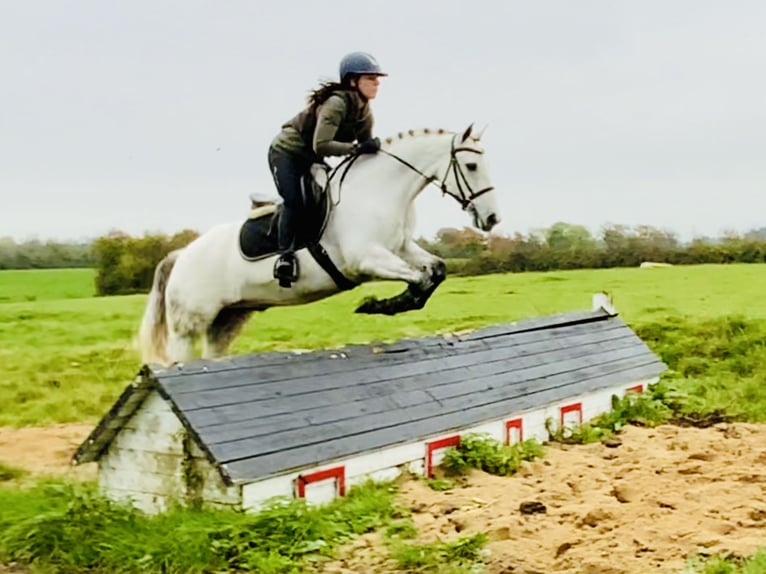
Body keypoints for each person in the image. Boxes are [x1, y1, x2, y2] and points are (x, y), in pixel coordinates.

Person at [267, 51, 387, 287]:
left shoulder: (364, 111)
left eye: (377, 78)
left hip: (311, 156)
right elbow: (321, 145)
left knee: (330, 197)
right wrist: (356, 148)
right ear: (353, 81)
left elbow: (363, 149)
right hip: (287, 153)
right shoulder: (336, 103)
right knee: (295, 201)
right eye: (370, 78)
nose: (377, 83)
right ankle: (285, 257)